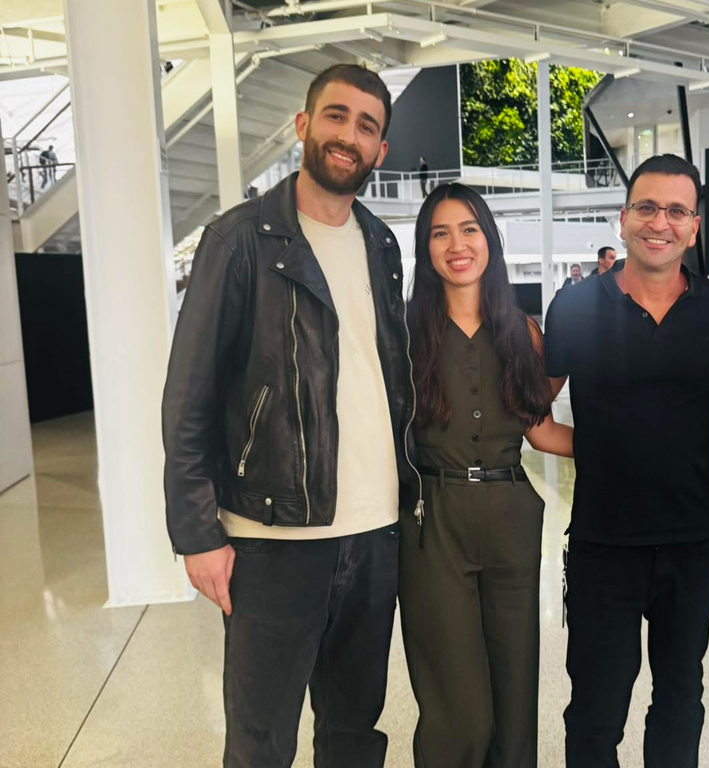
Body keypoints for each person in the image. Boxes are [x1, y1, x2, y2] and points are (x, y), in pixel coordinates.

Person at [162, 64, 416, 768]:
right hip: (272, 539)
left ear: (380, 150)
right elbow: (189, 397)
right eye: (336, 116)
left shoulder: (381, 245)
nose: (349, 135)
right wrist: (196, 531)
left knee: (354, 730)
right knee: (261, 738)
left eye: (367, 126)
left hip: (374, 535)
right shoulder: (240, 240)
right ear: (303, 126)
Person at [545, 154, 709, 768]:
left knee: (682, 695)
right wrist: (605, 444)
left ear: (694, 225)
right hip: (605, 543)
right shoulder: (575, 307)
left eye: (677, 210)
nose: (660, 222)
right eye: (647, 207)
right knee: (596, 707)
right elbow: (532, 416)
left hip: (693, 540)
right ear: (623, 218)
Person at [399, 182, 574, 768]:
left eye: (469, 229)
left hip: (512, 518)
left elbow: (541, 430)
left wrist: (627, 448)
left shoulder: (521, 332)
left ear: (490, 241)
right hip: (434, 523)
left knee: (515, 695)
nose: (457, 244)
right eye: (440, 232)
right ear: (425, 248)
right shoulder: (403, 333)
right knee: (461, 711)